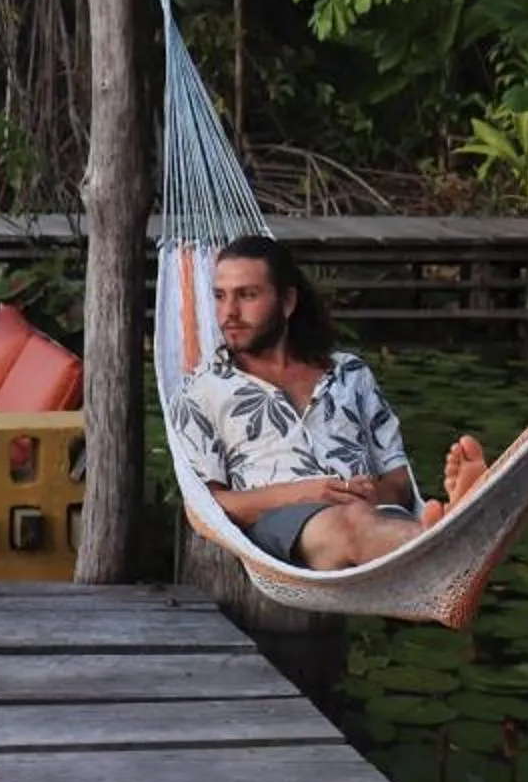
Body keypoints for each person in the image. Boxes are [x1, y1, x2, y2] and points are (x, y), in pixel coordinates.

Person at [170, 234, 489, 571]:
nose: (229, 313)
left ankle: (438, 535)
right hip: (285, 527)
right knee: (350, 523)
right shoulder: (201, 391)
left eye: (247, 295)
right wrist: (307, 494)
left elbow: (400, 484)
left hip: (379, 517)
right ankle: (447, 540)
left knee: (360, 517)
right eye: (220, 297)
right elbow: (207, 507)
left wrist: (369, 495)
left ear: (288, 302)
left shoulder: (350, 373)